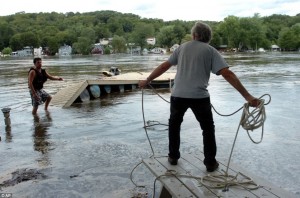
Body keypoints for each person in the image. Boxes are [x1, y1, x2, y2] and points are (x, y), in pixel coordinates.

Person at [139, 21, 261, 172]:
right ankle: (210, 162)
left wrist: (147, 80)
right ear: (208, 37)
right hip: (199, 97)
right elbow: (227, 74)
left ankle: (173, 157)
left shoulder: (182, 47)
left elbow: (165, 66)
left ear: (194, 35)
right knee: (208, 128)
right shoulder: (211, 51)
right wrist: (247, 96)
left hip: (178, 95)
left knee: (174, 125)